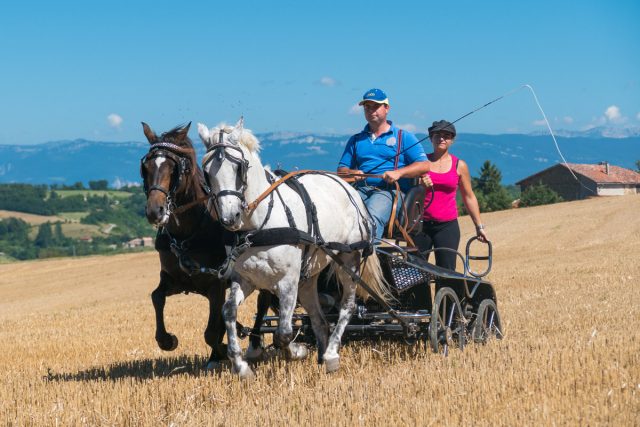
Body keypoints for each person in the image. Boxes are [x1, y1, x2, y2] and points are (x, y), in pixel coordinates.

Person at [338, 88, 430, 239]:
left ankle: (368, 254)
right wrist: (352, 173)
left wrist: (399, 173)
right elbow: (342, 169)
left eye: (375, 106)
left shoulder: (403, 137)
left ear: (387, 108)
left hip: (391, 192)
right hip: (361, 190)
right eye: (367, 107)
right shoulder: (356, 140)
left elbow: (424, 165)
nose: (370, 110)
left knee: (373, 213)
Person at [415, 120, 488, 271]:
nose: (442, 139)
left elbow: (469, 196)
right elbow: (409, 192)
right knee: (415, 272)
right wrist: (420, 185)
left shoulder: (459, 165)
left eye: (446, 136)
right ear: (431, 138)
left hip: (447, 227)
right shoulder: (421, 163)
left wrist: (479, 226)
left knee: (447, 272)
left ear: (452, 140)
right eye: (437, 135)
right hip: (420, 225)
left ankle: (447, 295)